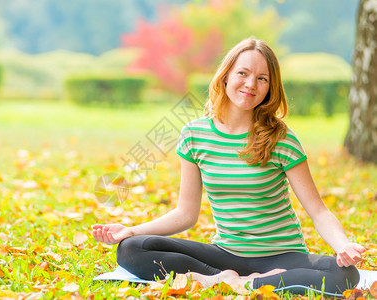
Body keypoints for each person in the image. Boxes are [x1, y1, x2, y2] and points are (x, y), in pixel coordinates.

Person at [91, 38, 365, 296]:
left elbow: (318, 211)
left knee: (345, 275)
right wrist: (131, 230)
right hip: (225, 254)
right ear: (226, 77)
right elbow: (185, 214)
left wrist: (343, 246)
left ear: (270, 87)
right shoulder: (194, 135)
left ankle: (248, 283)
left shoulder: (281, 139)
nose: (251, 84)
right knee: (131, 249)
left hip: (281, 256)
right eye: (243, 73)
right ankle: (219, 279)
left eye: (262, 79)